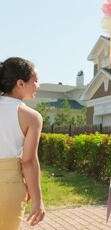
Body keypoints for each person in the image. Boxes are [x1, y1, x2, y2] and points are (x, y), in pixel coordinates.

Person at [0, 57, 45, 229]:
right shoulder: (31, 117)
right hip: (9, 185)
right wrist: (37, 200)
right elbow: (29, 161)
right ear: (20, 83)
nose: (38, 86)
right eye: (36, 81)